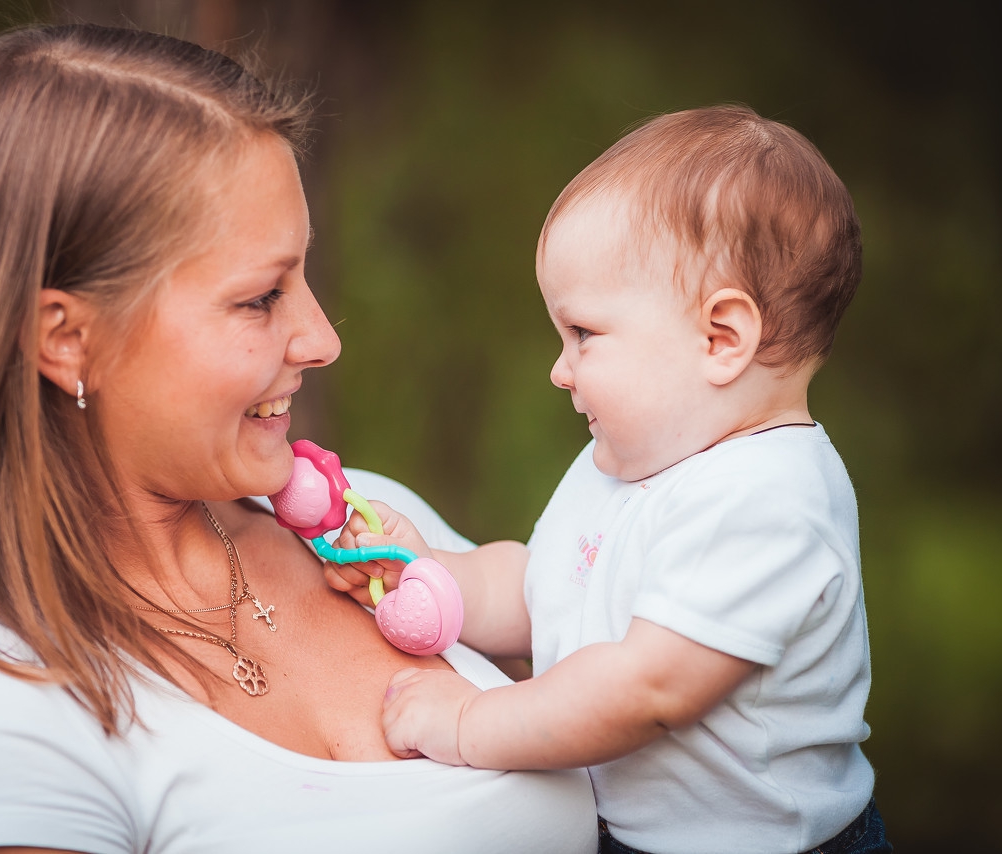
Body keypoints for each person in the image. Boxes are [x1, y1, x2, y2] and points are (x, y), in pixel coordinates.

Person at [0, 23, 598, 854]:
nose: (321, 340)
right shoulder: (0, 727)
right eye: (259, 298)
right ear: (64, 339)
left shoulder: (370, 527)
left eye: (303, 276)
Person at [325, 106, 891, 854]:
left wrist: (471, 724)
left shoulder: (769, 500)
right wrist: (430, 572)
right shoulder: (632, 457)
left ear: (722, 338)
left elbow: (646, 689)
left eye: (584, 334)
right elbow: (545, 592)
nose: (559, 371)